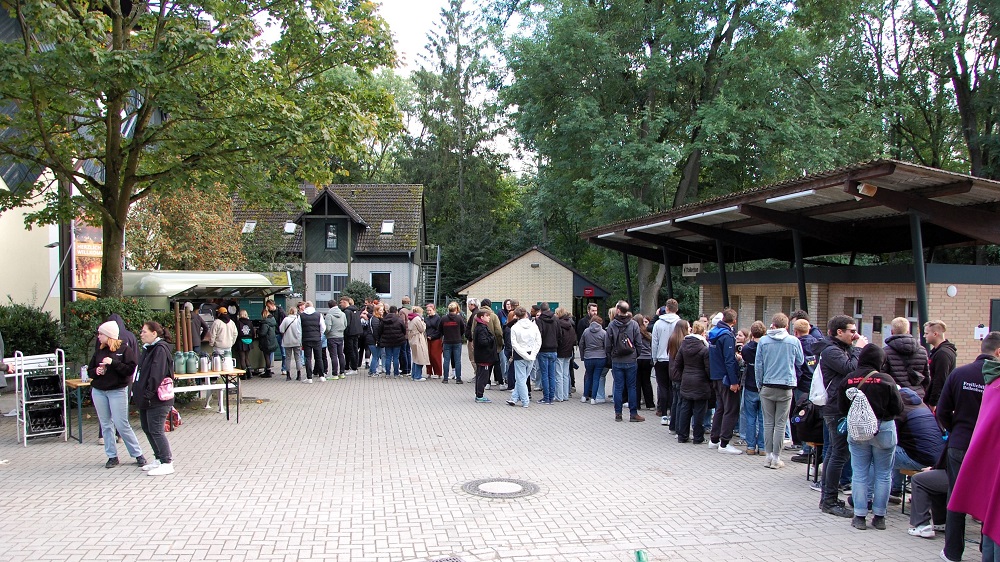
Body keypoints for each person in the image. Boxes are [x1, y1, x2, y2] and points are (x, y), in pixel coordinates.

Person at [936, 331, 999, 562]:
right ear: (998, 352)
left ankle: (953, 552)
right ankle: (987, 548)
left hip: (960, 444)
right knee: (991, 499)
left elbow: (941, 411)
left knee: (956, 496)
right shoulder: (996, 381)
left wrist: (956, 430)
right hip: (990, 449)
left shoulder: (959, 373)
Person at [838, 344, 903, 531]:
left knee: (859, 473)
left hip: (858, 432)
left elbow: (842, 408)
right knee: (883, 474)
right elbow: (898, 409)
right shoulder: (886, 380)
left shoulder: (849, 380)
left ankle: (859, 516)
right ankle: (880, 517)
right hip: (883, 430)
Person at [814, 314, 868, 518]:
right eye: (851, 331)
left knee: (834, 453)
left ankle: (827, 497)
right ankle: (828, 500)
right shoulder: (831, 351)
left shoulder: (838, 349)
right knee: (839, 454)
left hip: (838, 405)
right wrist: (859, 349)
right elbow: (850, 370)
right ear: (839, 332)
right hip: (836, 407)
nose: (855, 335)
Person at [89, 321, 145, 469]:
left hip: (117, 390)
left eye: (101, 334)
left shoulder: (125, 350)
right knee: (106, 424)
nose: (98, 337)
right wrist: (96, 371)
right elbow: (90, 369)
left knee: (121, 423)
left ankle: (137, 453)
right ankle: (112, 456)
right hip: (99, 390)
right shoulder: (99, 350)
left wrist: (113, 363)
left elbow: (129, 370)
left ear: (109, 335)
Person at [755, 314, 804, 468]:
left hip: (767, 385)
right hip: (785, 386)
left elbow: (758, 365)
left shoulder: (763, 341)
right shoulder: (793, 341)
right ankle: (777, 457)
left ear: (773, 325)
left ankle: (768, 455)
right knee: (781, 424)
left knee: (768, 423)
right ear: (787, 326)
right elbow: (801, 361)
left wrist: (759, 384)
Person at [134, 321, 175, 476]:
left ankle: (167, 461)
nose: (141, 334)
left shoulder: (160, 350)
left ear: (154, 333)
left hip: (157, 398)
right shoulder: (148, 349)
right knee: (147, 427)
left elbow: (156, 374)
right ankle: (158, 458)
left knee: (156, 429)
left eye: (144, 331)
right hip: (146, 397)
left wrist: (148, 393)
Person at [891, 387, 944, 501]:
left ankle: (868, 496)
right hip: (936, 458)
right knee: (898, 448)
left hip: (920, 459)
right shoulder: (924, 407)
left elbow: (891, 438)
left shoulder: (900, 410)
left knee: (877, 454)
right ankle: (895, 490)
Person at [708, 308, 742, 453]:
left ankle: (714, 439)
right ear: (734, 321)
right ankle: (724, 443)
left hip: (715, 375)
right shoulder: (727, 336)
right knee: (731, 409)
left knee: (720, 408)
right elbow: (729, 360)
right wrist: (734, 381)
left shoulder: (714, 334)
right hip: (726, 377)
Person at [604, 301, 644, 422]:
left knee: (618, 387)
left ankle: (618, 413)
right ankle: (633, 413)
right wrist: (635, 354)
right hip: (631, 359)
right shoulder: (633, 324)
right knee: (632, 387)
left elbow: (607, 344)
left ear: (617, 310)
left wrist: (611, 355)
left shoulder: (612, 325)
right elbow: (639, 343)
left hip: (617, 359)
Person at [673, 320, 710, 443]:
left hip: (686, 379)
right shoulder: (704, 349)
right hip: (701, 382)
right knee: (699, 411)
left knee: (685, 408)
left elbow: (677, 364)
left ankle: (682, 436)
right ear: (703, 333)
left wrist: (683, 374)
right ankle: (698, 437)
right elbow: (708, 368)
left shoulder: (683, 345)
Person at [651, 299, 682, 427]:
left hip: (661, 358)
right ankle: (673, 414)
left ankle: (663, 414)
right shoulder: (680, 323)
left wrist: (654, 358)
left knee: (662, 386)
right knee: (673, 387)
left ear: (666, 309)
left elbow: (655, 342)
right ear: (677, 309)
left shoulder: (658, 324)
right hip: (675, 359)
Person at [882, 317, 930, 399]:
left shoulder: (885, 352)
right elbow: (927, 377)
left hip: (896, 397)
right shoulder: (922, 350)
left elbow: (883, 377)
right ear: (908, 331)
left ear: (892, 332)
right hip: (917, 396)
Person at [740, 321, 765, 456]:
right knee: (763, 418)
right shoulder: (766, 347)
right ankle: (762, 447)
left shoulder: (746, 349)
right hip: (763, 386)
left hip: (750, 385)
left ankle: (750, 446)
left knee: (750, 417)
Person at [508, 307, 541, 407]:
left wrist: (524, 354)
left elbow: (514, 344)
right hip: (531, 354)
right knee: (523, 378)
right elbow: (538, 341)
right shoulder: (534, 326)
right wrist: (532, 354)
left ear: (516, 316)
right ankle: (514, 398)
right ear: (526, 314)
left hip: (519, 355)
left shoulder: (514, 327)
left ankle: (525, 401)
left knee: (521, 379)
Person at [924, 320, 957, 410]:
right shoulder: (938, 352)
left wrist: (933, 403)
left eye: (926, 333)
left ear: (935, 334)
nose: (924, 336)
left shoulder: (943, 354)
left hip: (938, 403)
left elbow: (940, 379)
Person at [579, 315, 607, 404]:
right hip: (600, 357)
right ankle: (593, 398)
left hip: (588, 357)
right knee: (596, 378)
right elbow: (606, 346)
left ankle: (584, 396)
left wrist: (582, 356)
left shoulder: (586, 331)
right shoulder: (603, 332)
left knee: (588, 376)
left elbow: (581, 344)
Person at [535, 302, 559, 404]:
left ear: (541, 310)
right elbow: (559, 333)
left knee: (544, 374)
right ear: (549, 309)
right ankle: (551, 397)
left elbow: (538, 335)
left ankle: (546, 397)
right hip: (554, 349)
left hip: (543, 349)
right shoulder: (555, 319)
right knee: (552, 375)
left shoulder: (539, 320)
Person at [472, 307, 496, 403]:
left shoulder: (481, 326)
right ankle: (479, 395)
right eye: (487, 316)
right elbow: (483, 342)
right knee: (483, 376)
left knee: (480, 375)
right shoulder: (481, 328)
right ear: (482, 317)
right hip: (484, 356)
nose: (489, 318)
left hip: (481, 356)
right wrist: (492, 338)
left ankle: (478, 394)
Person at [298, 301, 326, 383]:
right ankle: (321, 376)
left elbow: (298, 330)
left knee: (308, 358)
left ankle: (309, 377)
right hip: (317, 339)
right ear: (312, 306)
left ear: (305, 307)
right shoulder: (318, 314)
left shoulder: (301, 316)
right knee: (319, 358)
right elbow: (323, 327)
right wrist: (319, 335)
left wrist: (300, 340)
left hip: (306, 339)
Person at [378, 306, 407, 378]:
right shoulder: (399, 320)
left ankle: (387, 373)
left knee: (388, 357)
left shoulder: (384, 320)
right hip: (397, 340)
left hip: (387, 341)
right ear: (396, 311)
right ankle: (396, 373)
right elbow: (404, 330)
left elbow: (380, 331)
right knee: (396, 358)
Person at [634, 314, 655, 411]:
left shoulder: (634, 332)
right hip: (647, 359)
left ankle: (636, 404)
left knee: (637, 382)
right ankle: (650, 404)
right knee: (646, 381)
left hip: (637, 358)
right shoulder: (648, 333)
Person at [554, 307, 576, 402]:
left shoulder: (558, 324)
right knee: (566, 374)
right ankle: (565, 395)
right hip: (569, 352)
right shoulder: (571, 325)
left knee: (559, 374)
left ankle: (559, 396)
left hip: (560, 352)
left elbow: (558, 338)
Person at [441, 302, 465, 383]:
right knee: (457, 360)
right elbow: (463, 329)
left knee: (446, 360)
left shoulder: (444, 318)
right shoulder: (459, 318)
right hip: (457, 341)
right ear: (456, 309)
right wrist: (459, 335)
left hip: (447, 341)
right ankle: (458, 378)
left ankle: (445, 378)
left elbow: (440, 329)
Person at [279, 307, 303, 381]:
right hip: (297, 341)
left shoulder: (286, 319)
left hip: (287, 341)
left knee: (288, 358)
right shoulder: (298, 319)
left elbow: (281, 329)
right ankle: (299, 374)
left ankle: (288, 375)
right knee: (298, 358)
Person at [325, 300, 347, 380]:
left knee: (333, 355)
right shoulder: (343, 314)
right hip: (340, 336)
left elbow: (327, 328)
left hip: (331, 337)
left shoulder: (329, 315)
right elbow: (345, 325)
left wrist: (326, 333)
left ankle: (334, 374)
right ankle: (342, 373)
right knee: (340, 354)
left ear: (329, 306)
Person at [407, 306, 429, 381]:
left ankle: (414, 375)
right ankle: (417, 376)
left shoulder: (411, 318)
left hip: (412, 339)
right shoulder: (417, 319)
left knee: (415, 358)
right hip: (418, 339)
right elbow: (422, 329)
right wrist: (423, 322)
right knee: (420, 358)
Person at [425, 303, 444, 379]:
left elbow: (439, 330)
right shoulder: (426, 318)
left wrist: (432, 336)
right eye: (427, 310)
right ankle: (429, 372)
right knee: (428, 356)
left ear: (434, 310)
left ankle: (438, 372)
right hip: (427, 339)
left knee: (435, 356)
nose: (428, 312)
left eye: (430, 310)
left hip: (436, 339)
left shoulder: (438, 318)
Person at [257, 309, 278, 377]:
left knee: (267, 357)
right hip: (272, 341)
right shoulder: (272, 321)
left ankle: (268, 372)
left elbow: (262, 333)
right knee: (269, 356)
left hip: (266, 342)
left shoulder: (265, 323)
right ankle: (268, 370)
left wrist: (258, 331)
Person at [234, 310, 255, 378]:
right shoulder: (250, 322)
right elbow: (253, 332)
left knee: (242, 358)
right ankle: (250, 373)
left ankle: (244, 375)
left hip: (241, 341)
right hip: (249, 341)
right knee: (246, 358)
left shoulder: (238, 322)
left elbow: (236, 333)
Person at [366, 305, 384, 376]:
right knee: (375, 356)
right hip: (374, 341)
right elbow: (375, 332)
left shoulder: (375, 319)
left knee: (375, 356)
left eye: (382, 310)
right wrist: (378, 340)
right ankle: (373, 372)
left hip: (372, 340)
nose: (382, 311)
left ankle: (371, 371)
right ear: (376, 311)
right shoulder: (375, 320)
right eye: (380, 310)